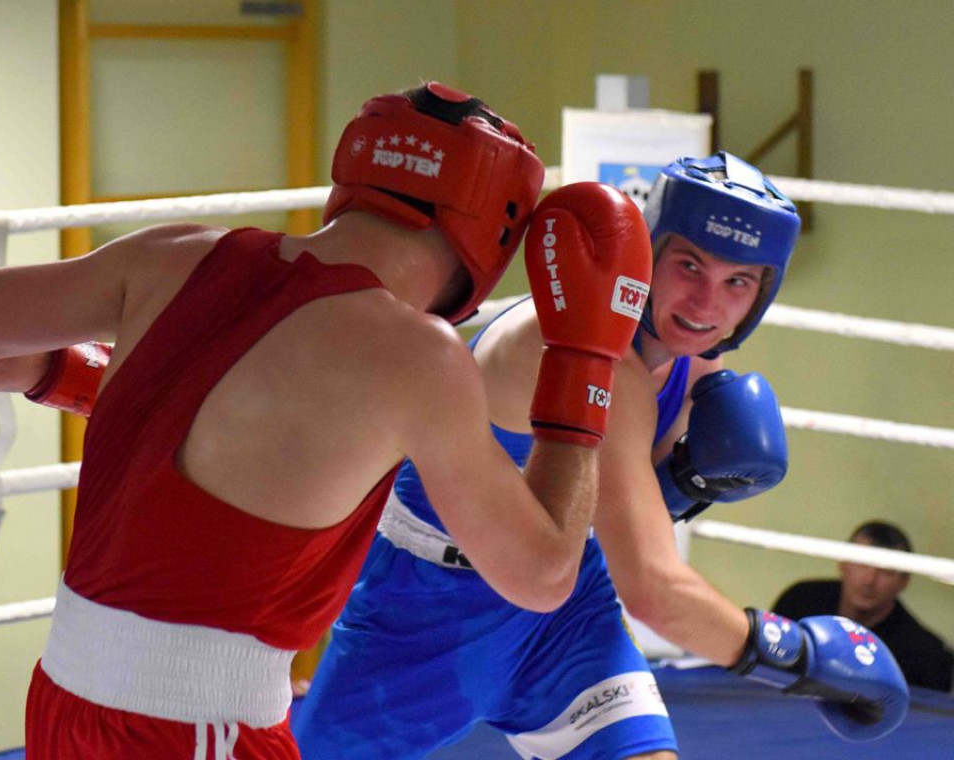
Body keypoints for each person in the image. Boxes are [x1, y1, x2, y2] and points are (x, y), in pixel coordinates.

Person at [0, 82, 654, 758]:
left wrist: (139, 393)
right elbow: (543, 576)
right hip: (198, 729)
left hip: (61, 698)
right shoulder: (416, 356)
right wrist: (583, 363)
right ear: (493, 233)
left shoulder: (171, 256)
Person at [292, 152, 911, 760]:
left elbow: (622, 502)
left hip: (565, 609)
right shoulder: (596, 354)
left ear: (761, 295)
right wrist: (799, 658)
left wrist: (686, 479)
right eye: (689, 265)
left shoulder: (692, 352)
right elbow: (653, 588)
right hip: (430, 604)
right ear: (649, 250)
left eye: (736, 282)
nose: (705, 303)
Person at [774, 520, 954, 693]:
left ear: (904, 581)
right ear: (842, 562)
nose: (869, 580)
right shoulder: (799, 601)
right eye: (861, 563)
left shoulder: (925, 655)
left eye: (887, 570)